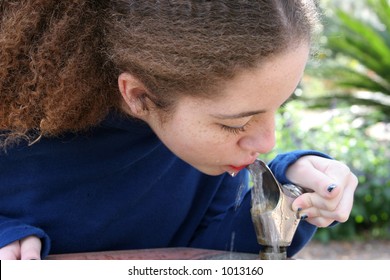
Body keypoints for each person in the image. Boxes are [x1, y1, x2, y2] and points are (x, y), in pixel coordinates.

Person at [0, 0, 358, 260]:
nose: (268, 142)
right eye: (235, 122)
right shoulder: (17, 132)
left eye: (278, 107)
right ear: (139, 95)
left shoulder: (204, 156)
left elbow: (215, 252)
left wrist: (288, 193)